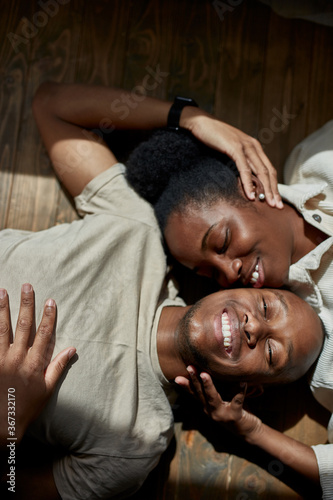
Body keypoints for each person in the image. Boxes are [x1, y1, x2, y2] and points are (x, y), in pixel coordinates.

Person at [0, 81, 325, 499]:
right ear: (238, 285)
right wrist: (190, 117)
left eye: (271, 352)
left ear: (251, 389)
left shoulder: (134, 447)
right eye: (265, 306)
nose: (254, 328)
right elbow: (51, 107)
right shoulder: (135, 230)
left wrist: (9, 424)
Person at [126, 121, 333, 497]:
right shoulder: (311, 338)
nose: (228, 273)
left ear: (250, 187)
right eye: (207, 273)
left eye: (222, 241)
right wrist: (251, 431)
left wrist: (194, 120)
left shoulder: (316, 162)